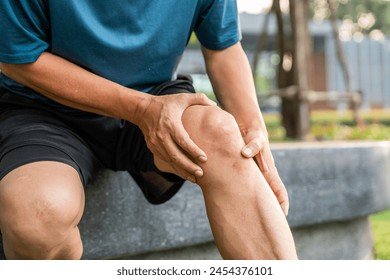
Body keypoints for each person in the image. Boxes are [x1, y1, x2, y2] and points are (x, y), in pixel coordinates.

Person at [0, 0, 297, 260]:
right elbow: (19, 60)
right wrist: (140, 109)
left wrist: (253, 129)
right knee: (38, 218)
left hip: (158, 96)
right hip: (44, 109)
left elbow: (223, 48)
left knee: (222, 135)